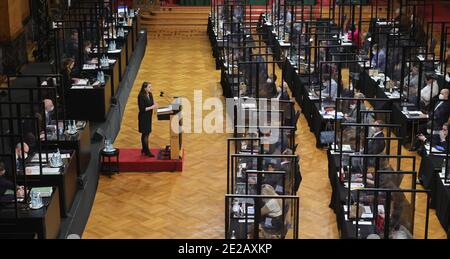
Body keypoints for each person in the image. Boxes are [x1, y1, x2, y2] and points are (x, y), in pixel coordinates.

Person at [138, 82, 158, 157]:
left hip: (148, 117)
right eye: (149, 87)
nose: (151, 88)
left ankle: (144, 148)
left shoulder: (150, 94)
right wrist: (152, 107)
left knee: (147, 132)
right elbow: (142, 109)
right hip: (143, 117)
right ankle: (147, 151)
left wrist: (155, 104)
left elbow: (152, 102)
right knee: (145, 133)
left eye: (151, 87)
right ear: (144, 88)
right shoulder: (140, 96)